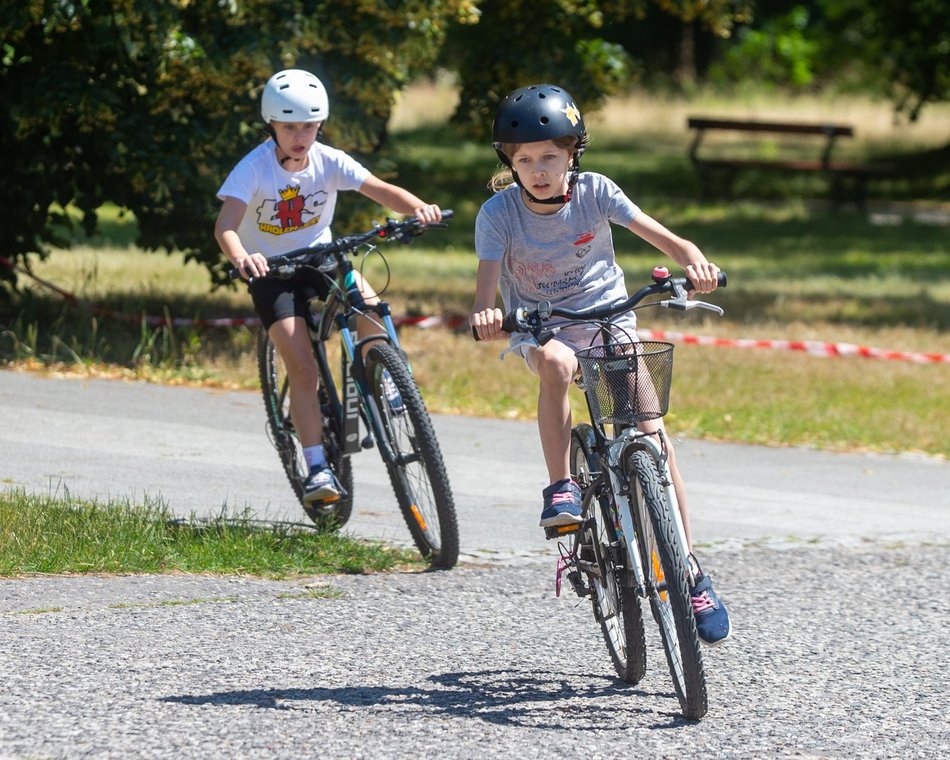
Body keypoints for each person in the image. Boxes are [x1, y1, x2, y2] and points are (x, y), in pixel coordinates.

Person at [469, 83, 730, 644]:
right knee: (558, 365)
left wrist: (696, 263)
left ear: (573, 154)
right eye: (524, 160)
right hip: (542, 327)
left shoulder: (597, 193)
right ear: (509, 164)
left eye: (549, 157)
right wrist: (488, 314)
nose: (538, 170)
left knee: (654, 439)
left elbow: (670, 241)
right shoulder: (498, 214)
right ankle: (561, 487)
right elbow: (486, 291)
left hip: (610, 319)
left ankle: (687, 569)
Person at [215, 69, 442, 506]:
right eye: (289, 127)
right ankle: (317, 467)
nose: (300, 136)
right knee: (303, 367)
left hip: (319, 257)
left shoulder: (328, 159)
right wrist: (242, 256)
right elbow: (225, 226)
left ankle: (390, 377)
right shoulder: (253, 169)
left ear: (320, 125)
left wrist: (419, 209)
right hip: (272, 273)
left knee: (369, 302)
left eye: (308, 126)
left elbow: (380, 190)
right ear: (271, 127)